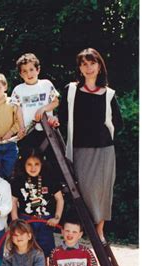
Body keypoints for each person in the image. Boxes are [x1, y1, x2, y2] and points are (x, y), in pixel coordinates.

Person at [58, 48, 123, 244]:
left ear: (99, 66)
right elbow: (62, 117)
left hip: (104, 150)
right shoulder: (71, 91)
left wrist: (101, 133)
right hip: (79, 149)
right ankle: (81, 231)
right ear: (79, 68)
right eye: (84, 64)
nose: (89, 67)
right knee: (83, 191)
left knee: (103, 190)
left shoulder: (109, 94)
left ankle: (99, 230)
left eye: (92, 63)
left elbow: (118, 123)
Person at [11, 149, 64, 266]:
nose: (33, 167)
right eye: (29, 164)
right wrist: (15, 219)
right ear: (24, 164)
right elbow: (13, 201)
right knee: (25, 254)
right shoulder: (18, 180)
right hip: (26, 222)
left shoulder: (49, 179)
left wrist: (57, 218)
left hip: (45, 222)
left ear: (42, 165)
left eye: (36, 164)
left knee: (43, 255)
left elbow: (60, 199)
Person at [10, 53, 59, 156]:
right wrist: (22, 128)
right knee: (29, 158)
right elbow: (18, 110)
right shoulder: (18, 90)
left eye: (31, 69)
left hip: (47, 129)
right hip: (29, 131)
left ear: (38, 70)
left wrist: (43, 109)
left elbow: (55, 102)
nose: (29, 74)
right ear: (20, 74)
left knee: (52, 160)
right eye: (25, 71)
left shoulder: (46, 84)